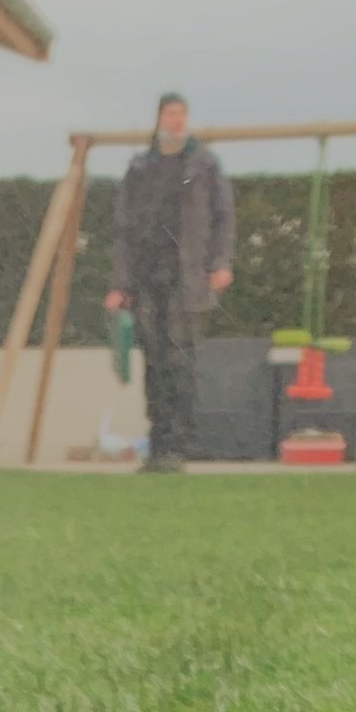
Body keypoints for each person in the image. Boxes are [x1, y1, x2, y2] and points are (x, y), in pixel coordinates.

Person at [105, 95, 233, 471]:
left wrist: (222, 262)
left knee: (180, 359)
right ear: (159, 118)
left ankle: (179, 445)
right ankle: (158, 444)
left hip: (187, 278)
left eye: (180, 114)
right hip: (147, 279)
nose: (175, 120)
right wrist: (119, 283)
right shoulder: (141, 167)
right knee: (154, 362)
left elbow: (224, 217)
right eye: (169, 114)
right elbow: (123, 229)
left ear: (187, 118)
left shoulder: (204, 164)